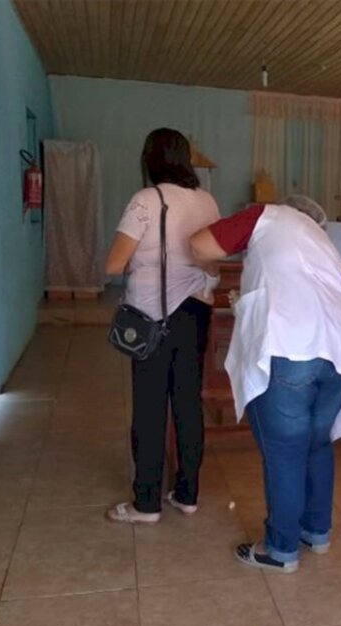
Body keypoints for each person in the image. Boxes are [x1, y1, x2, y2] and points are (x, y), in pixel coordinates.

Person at [189, 195, 341, 573]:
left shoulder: (266, 216)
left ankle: (280, 549)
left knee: (285, 450)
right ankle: (316, 532)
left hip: (292, 342)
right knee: (317, 443)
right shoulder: (320, 239)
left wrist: (211, 272)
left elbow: (199, 243)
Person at [104, 128, 221, 524]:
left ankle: (147, 503)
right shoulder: (207, 201)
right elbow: (213, 256)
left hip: (152, 316)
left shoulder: (145, 200)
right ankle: (187, 494)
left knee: (150, 408)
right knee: (188, 403)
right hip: (197, 310)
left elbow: (113, 264)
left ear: (150, 159)